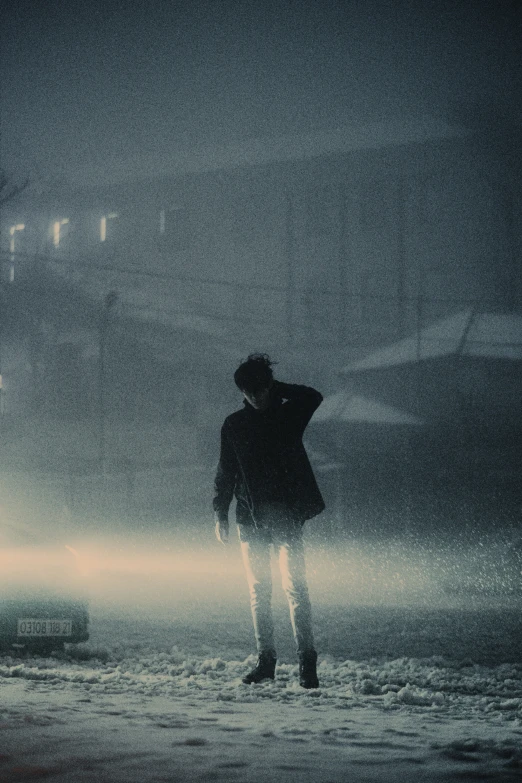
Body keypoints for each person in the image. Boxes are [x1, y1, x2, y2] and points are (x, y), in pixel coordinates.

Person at [213, 353, 325, 688]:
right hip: (250, 518)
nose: (257, 397)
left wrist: (277, 388)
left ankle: (306, 663)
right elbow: (226, 471)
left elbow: (313, 396)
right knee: (261, 591)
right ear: (243, 392)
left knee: (294, 588)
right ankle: (268, 662)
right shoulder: (234, 425)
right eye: (251, 392)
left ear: (269, 387)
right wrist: (219, 512)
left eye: (261, 390)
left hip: (285, 515)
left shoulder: (289, 414)